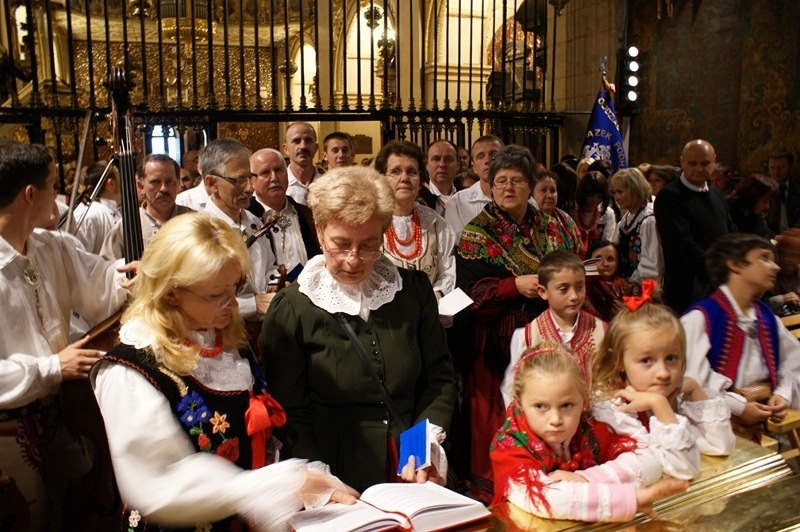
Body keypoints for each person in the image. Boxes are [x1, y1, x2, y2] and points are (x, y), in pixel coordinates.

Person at [92, 213, 356, 530]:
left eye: (234, 289)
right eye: (217, 295)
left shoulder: (222, 338)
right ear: (171, 293)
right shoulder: (131, 370)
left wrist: (306, 485)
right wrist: (279, 485)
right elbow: (158, 484)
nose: (232, 305)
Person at [262, 166, 457, 493]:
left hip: (410, 460)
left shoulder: (412, 291)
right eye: (341, 244)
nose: (353, 259)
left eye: (369, 245)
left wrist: (422, 446)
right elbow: (291, 413)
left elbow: (438, 377)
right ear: (319, 231)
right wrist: (319, 478)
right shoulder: (292, 309)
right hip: (334, 471)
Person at [0, 141, 132, 531]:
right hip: (8, 432)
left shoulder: (51, 246)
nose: (59, 196)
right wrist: (51, 367)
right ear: (30, 195)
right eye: (53, 185)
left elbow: (101, 286)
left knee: (72, 514)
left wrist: (134, 276)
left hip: (63, 417)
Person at [456, 145, 569, 503]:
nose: (508, 187)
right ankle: (498, 495)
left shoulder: (551, 227)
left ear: (530, 184)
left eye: (517, 180)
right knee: (497, 421)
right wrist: (512, 286)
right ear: (489, 185)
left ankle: (543, 488)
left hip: (545, 338)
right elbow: (469, 295)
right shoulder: (477, 233)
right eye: (500, 180)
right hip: (496, 347)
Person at [490, 343, 687, 522]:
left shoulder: (589, 428)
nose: (556, 419)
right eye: (540, 406)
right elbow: (545, 498)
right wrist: (631, 498)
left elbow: (650, 461)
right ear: (519, 401)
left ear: (583, 401)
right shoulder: (509, 446)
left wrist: (587, 478)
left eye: (566, 405)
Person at [590, 301, 735, 480]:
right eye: (646, 361)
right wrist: (659, 404)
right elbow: (683, 468)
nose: (664, 373)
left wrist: (695, 388)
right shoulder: (614, 410)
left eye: (671, 358)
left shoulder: (670, 393)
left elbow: (720, 445)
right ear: (618, 360)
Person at [682, 233, 800, 437]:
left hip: (765, 420)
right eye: (764, 258)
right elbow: (691, 379)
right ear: (735, 265)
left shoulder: (766, 317)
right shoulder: (700, 319)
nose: (775, 267)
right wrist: (738, 407)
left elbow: (792, 361)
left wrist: (782, 395)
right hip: (714, 430)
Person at [502, 250, 606, 406]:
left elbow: (611, 382)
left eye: (579, 287)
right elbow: (513, 389)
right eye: (564, 289)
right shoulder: (527, 337)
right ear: (543, 292)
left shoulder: (602, 331)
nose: (574, 296)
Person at [200, 139, 279, 335]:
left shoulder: (254, 220)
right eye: (238, 180)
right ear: (211, 183)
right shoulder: (201, 231)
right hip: (222, 334)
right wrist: (253, 304)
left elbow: (269, 267)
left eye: (250, 178)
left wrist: (276, 283)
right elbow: (202, 300)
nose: (250, 188)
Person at [654, 139, 736, 313]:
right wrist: (719, 270)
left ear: (714, 161)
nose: (699, 169)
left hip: (720, 281)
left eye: (705, 163)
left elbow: (731, 233)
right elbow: (681, 245)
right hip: (689, 288)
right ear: (682, 162)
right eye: (692, 163)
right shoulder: (669, 197)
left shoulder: (716, 195)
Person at [374, 140, 457, 302]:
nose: (404, 178)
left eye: (411, 172)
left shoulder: (436, 224)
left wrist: (438, 293)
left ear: (420, 182)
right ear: (382, 179)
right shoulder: (371, 222)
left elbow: (447, 271)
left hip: (428, 311)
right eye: (396, 171)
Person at [101, 153, 193, 260]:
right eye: (155, 182)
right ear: (141, 186)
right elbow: (108, 266)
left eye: (169, 181)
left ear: (177, 184)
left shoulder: (195, 220)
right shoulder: (126, 226)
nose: (164, 188)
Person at [248, 148, 321, 274]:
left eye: (278, 170)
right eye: (265, 173)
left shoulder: (307, 214)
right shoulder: (245, 217)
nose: (274, 178)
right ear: (251, 181)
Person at [610, 167, 663, 285]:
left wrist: (631, 282)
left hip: (642, 288)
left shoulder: (649, 220)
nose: (616, 198)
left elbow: (652, 266)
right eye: (615, 193)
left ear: (634, 191)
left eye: (620, 192)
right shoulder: (626, 220)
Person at [444, 135, 504, 238]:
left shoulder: (520, 198)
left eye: (494, 154)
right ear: (474, 167)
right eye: (480, 156)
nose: (487, 160)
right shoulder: (457, 203)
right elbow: (458, 243)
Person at [583, 240, 640, 322]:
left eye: (610, 259)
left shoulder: (627, 287)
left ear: (617, 265)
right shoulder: (584, 289)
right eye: (598, 259)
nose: (605, 264)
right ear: (589, 264)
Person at [531, 169, 584, 257]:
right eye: (543, 190)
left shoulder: (566, 220)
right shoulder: (527, 219)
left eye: (553, 191)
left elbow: (580, 252)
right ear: (532, 193)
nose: (549, 195)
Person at [73, 160, 122, 254]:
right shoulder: (89, 214)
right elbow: (80, 257)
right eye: (119, 178)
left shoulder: (114, 210)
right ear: (111, 183)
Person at [572, 170, 616, 252]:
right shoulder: (572, 211)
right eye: (590, 195)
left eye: (599, 196)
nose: (594, 200)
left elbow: (606, 243)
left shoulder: (607, 214)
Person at [726, 173, 777, 239]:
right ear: (752, 197)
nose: (767, 207)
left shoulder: (754, 213)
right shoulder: (728, 213)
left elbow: (764, 233)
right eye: (765, 202)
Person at [283, 122, 321, 206]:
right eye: (296, 141)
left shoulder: (329, 184)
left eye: (308, 140)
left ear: (315, 148)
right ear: (286, 149)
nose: (303, 146)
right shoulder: (279, 186)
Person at [420, 139, 460, 215]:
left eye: (448, 159)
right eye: (436, 159)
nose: (442, 164)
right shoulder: (417, 198)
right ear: (426, 165)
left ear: (458, 165)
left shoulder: (468, 196)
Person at [766, 149, 800, 235]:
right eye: (772, 167)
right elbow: (760, 225)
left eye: (781, 168)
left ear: (790, 168)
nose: (776, 172)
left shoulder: (797, 189)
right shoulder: (763, 191)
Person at [769, 228, 800, 313]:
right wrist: (781, 299)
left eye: (794, 255)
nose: (787, 259)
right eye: (783, 253)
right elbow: (755, 304)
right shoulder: (768, 273)